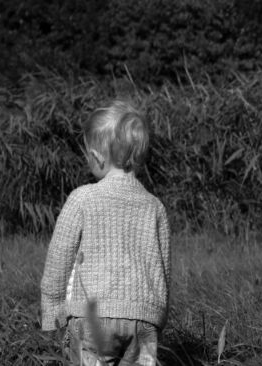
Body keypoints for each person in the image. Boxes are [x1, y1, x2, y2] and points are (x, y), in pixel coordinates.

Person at [40, 99, 171, 366]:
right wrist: (158, 317)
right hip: (144, 320)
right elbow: (163, 271)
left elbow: (59, 259)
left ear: (96, 157)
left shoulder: (82, 198)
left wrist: (52, 312)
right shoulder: (155, 207)